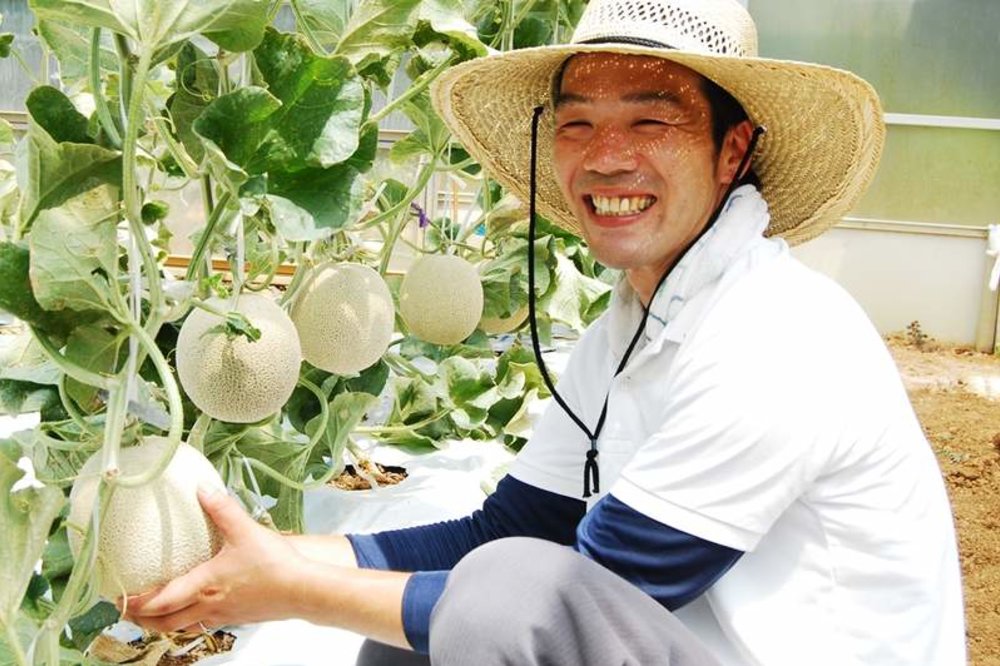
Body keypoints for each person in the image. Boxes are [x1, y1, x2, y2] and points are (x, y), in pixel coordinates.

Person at [124, 0, 966, 663]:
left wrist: (289, 591)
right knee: (419, 635)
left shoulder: (777, 335)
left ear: (732, 150)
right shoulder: (628, 328)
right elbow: (504, 531)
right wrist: (276, 551)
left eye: (651, 121)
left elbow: (571, 594)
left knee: (492, 603)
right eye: (577, 123)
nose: (606, 156)